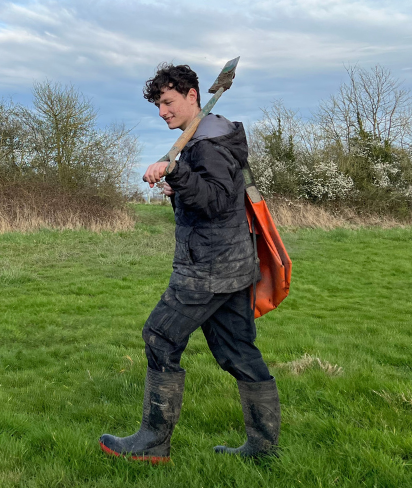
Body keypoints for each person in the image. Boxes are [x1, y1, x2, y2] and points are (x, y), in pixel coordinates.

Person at [99, 64, 281, 463]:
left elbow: (214, 199)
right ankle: (263, 449)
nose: (162, 111)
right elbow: (216, 197)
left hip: (208, 270)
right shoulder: (210, 136)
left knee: (159, 337)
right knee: (238, 351)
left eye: (168, 102)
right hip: (234, 265)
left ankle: (152, 443)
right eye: (158, 105)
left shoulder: (208, 143)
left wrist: (177, 172)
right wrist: (177, 187)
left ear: (193, 96)